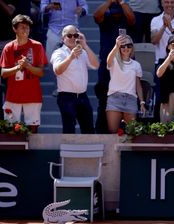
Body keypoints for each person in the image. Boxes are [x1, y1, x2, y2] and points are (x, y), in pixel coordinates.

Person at [0, 14, 47, 133]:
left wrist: (27, 66)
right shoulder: (8, 47)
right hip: (12, 96)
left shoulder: (37, 46)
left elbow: (41, 73)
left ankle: (32, 152)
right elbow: (3, 73)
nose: (26, 30)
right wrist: (18, 67)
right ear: (14, 29)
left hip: (33, 95)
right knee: (10, 131)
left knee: (32, 132)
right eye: (22, 27)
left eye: (27, 27)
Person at [93, 0, 135, 133]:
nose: (116, 15)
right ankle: (101, 132)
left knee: (125, 99)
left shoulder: (126, 19)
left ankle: (124, 132)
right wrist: (109, 1)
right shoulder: (105, 20)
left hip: (125, 67)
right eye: (114, 12)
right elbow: (96, 15)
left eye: (118, 13)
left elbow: (132, 19)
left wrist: (122, 2)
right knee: (104, 100)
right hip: (107, 66)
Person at [50, 25, 99, 134]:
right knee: (69, 130)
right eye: (69, 35)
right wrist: (70, 57)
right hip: (66, 96)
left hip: (82, 96)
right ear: (63, 39)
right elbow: (57, 70)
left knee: (89, 130)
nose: (73, 38)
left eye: (75, 35)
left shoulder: (83, 52)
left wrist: (85, 45)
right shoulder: (59, 53)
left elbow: (96, 65)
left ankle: (88, 151)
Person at [106, 34, 145, 133]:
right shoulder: (114, 60)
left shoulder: (136, 65)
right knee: (113, 132)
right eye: (122, 46)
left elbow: (138, 85)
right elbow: (108, 61)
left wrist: (142, 102)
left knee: (131, 132)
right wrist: (116, 46)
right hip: (114, 98)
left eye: (129, 45)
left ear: (132, 47)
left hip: (131, 99)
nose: (126, 48)